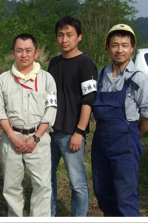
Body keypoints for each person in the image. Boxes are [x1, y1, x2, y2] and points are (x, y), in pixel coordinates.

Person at [91, 24, 148, 216]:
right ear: (107, 47)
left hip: (126, 142)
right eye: (115, 45)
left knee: (125, 196)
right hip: (101, 141)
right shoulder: (100, 75)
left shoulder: (139, 79)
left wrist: (134, 134)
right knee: (103, 192)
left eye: (125, 45)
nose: (119, 50)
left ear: (132, 47)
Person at [0, 34, 57, 217]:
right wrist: (13, 137)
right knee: (11, 185)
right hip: (11, 138)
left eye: (28, 50)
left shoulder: (47, 79)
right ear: (12, 53)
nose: (24, 54)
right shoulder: (3, 80)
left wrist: (36, 137)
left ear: (36, 53)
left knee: (42, 185)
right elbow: (0, 112)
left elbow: (51, 110)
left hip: (39, 139)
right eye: (19, 50)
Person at [48, 16, 98, 217]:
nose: (64, 39)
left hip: (71, 133)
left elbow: (89, 99)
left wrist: (79, 131)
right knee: (47, 178)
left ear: (79, 37)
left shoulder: (85, 63)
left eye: (69, 35)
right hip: (50, 131)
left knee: (77, 182)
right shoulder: (54, 62)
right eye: (60, 35)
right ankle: (48, 214)